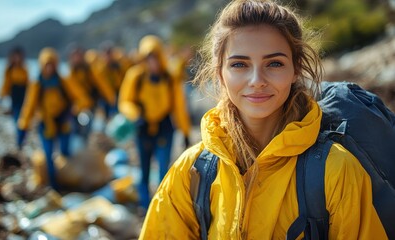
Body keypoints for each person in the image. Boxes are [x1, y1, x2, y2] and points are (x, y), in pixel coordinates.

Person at [139, 0, 387, 239]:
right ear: (219, 73)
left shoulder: (336, 170)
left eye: (275, 63)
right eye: (239, 65)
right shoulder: (191, 172)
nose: (257, 80)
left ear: (296, 69)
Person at [118, 35, 191, 211]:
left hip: (164, 128)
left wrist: (186, 131)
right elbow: (124, 101)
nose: (152, 63)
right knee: (143, 171)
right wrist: (136, 115)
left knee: (163, 171)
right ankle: (145, 206)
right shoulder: (135, 76)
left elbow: (179, 107)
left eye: (155, 58)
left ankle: (161, 208)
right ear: (143, 59)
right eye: (148, 59)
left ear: (160, 57)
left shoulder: (170, 77)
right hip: (142, 128)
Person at [18, 47, 91, 190]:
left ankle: (68, 179)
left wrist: (73, 111)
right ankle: (54, 184)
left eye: (52, 65)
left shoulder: (64, 81)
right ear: (42, 65)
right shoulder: (36, 84)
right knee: (48, 155)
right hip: (46, 124)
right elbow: (29, 107)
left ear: (56, 64)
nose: (49, 68)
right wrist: (23, 127)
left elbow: (82, 98)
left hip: (64, 123)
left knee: (65, 153)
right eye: (46, 65)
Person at [67, 46, 115, 142]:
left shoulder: (90, 70)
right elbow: (72, 91)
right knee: (75, 126)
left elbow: (102, 84)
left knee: (87, 125)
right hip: (77, 104)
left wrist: (111, 98)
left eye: (78, 56)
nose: (77, 58)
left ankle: (84, 142)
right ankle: (78, 144)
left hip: (90, 103)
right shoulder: (71, 73)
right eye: (75, 56)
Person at [0, 46, 29, 150]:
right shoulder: (9, 69)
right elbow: (5, 83)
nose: (17, 58)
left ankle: (21, 138)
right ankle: (20, 140)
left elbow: (28, 84)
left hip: (23, 97)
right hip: (14, 98)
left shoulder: (24, 69)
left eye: (19, 56)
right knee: (17, 120)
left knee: (25, 118)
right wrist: (1, 96)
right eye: (15, 56)